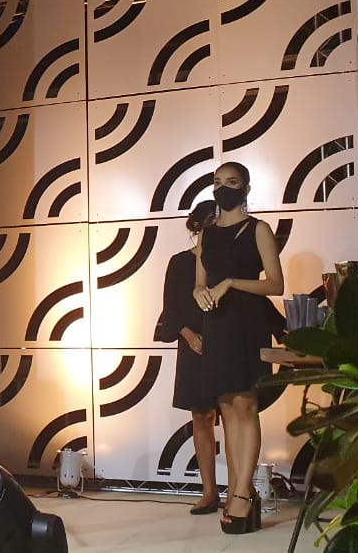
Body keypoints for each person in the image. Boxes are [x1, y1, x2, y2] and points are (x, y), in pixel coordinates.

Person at [192, 161, 284, 535]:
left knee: (245, 405)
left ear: (245, 188)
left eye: (231, 182)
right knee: (227, 408)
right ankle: (236, 492)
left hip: (247, 323)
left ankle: (243, 494)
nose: (223, 188)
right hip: (215, 325)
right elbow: (199, 284)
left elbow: (275, 284)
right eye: (217, 182)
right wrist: (200, 293)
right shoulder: (206, 233)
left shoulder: (258, 229)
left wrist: (231, 282)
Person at [154, 199, 219, 515]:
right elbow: (171, 308)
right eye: (210, 224)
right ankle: (209, 492)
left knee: (238, 416)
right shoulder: (180, 262)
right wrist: (190, 336)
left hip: (229, 346)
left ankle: (242, 492)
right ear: (198, 226)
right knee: (201, 417)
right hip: (194, 348)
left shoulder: (230, 263)